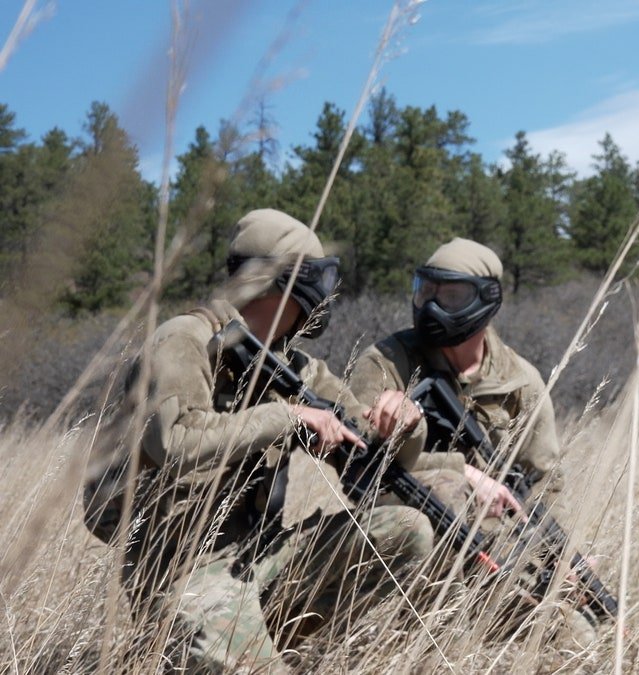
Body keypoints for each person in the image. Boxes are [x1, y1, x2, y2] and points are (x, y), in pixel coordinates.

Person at [84, 209, 433, 672]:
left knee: (408, 530)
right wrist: (285, 417)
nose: (319, 305)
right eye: (312, 287)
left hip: (261, 554)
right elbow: (177, 442)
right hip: (184, 566)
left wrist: (405, 425)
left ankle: (253, 639)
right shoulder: (184, 341)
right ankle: (184, 645)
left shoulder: (299, 369)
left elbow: (368, 457)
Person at [347, 237, 595, 644]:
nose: (431, 305)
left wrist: (556, 560)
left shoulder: (520, 382)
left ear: (486, 300)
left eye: (452, 295)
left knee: (576, 640)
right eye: (426, 291)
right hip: (406, 543)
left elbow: (543, 485)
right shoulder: (386, 363)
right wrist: (459, 471)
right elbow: (357, 465)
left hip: (495, 550)